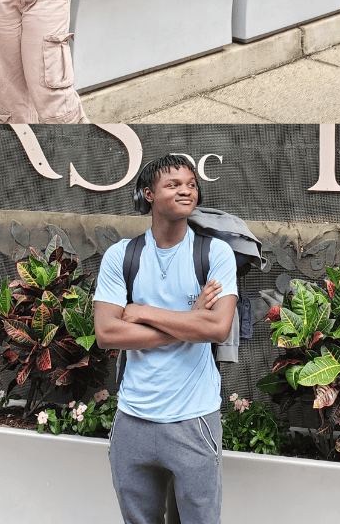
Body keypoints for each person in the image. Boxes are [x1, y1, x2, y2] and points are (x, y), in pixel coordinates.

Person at [94, 154, 237, 524]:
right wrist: (191, 321)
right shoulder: (121, 256)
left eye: (191, 184)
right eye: (173, 185)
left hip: (194, 420)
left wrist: (142, 312)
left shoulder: (214, 253)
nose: (185, 190)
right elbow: (107, 332)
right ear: (148, 195)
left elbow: (218, 328)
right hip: (132, 420)